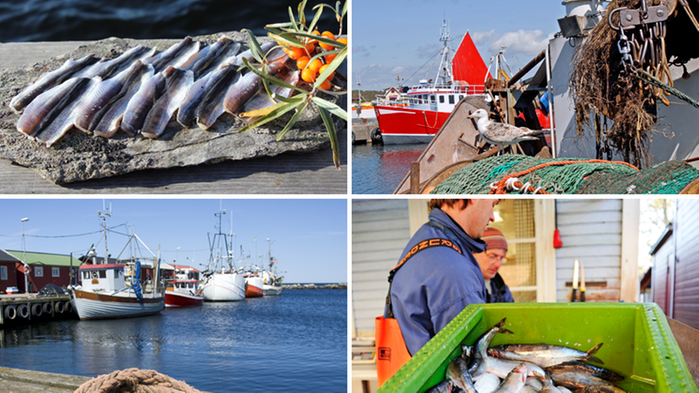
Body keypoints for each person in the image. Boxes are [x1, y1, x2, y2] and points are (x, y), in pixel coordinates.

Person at [385, 199, 498, 356]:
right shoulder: (455, 271)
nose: (492, 216)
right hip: (434, 380)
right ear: (473, 198)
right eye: (493, 204)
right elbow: (472, 360)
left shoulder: (423, 240)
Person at [473, 227, 514, 303]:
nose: (498, 264)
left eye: (502, 258)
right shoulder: (467, 289)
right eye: (492, 256)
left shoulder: (502, 289)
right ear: (474, 253)